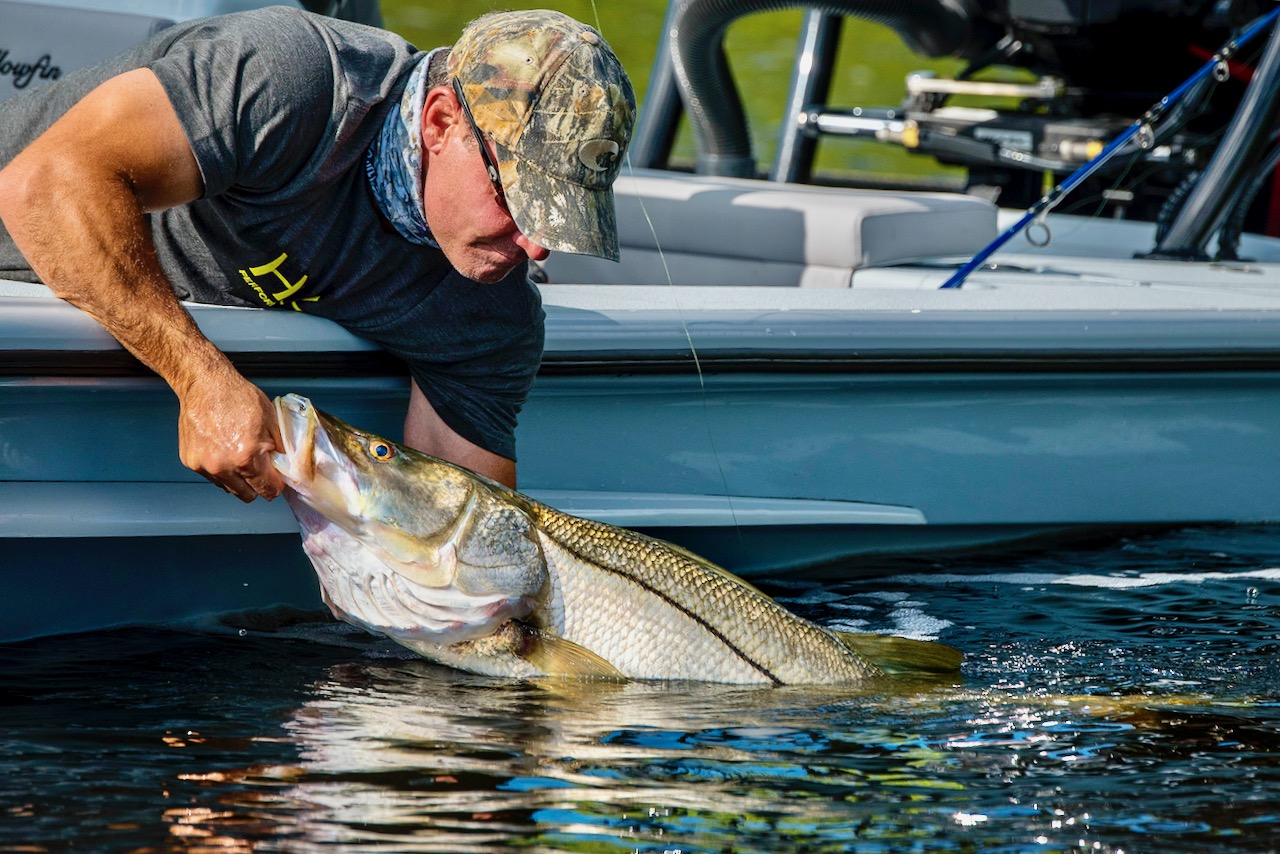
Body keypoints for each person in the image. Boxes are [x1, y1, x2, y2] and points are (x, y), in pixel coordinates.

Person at [0, 7, 635, 500]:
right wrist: (198, 379)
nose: (537, 244)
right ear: (441, 123)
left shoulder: (491, 313)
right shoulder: (293, 81)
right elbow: (41, 187)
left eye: (558, 216)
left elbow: (462, 546)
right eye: (519, 200)